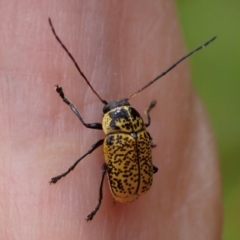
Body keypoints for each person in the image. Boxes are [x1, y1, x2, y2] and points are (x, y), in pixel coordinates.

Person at [0, 0, 222, 239]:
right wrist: (147, 111)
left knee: (103, 168)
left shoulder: (127, 135)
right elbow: (144, 125)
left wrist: (66, 99)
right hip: (138, 184)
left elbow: (87, 125)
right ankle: (97, 202)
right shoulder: (141, 128)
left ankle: (98, 204)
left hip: (126, 188)